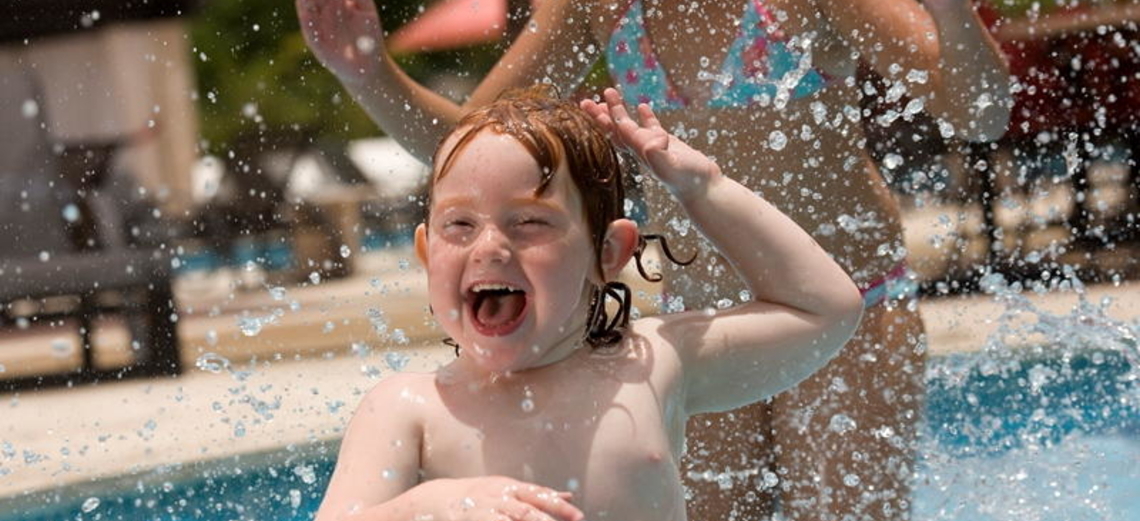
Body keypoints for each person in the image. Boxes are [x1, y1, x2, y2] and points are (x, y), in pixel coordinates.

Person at [296, 1, 1012, 518]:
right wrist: (369, 74)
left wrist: (950, 12)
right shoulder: (595, 6)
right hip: (695, 323)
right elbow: (473, 147)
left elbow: (979, 114)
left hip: (849, 300)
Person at [313, 85, 863, 521]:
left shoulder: (651, 365)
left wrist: (704, 188)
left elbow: (826, 310)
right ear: (428, 254)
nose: (490, 247)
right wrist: (425, 509)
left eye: (529, 222)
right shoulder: (409, 409)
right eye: (460, 224)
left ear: (609, 252)